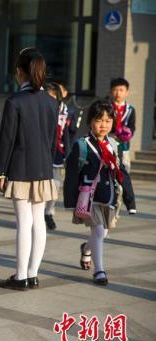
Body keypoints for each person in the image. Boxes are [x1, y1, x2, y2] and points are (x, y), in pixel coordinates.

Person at [0, 48, 58, 291]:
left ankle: (20, 277)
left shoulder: (15, 101)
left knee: (24, 222)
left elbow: (7, 140)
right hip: (44, 168)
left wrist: (0, 171)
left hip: (20, 169)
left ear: (19, 72)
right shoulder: (52, 102)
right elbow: (52, 139)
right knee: (38, 220)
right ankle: (32, 274)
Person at [63, 100, 136, 285]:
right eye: (99, 120)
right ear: (90, 122)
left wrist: (130, 200)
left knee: (102, 233)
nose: (104, 125)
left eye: (108, 120)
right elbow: (71, 174)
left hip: (109, 195)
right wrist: (70, 201)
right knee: (97, 230)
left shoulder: (114, 144)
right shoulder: (82, 145)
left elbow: (122, 173)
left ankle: (86, 249)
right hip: (89, 197)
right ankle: (99, 271)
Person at [43, 82, 77, 230]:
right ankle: (38, 213)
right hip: (41, 151)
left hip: (58, 151)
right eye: (47, 96)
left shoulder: (67, 111)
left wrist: (69, 152)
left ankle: (48, 212)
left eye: (53, 96)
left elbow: (70, 133)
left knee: (55, 186)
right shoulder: (40, 109)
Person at [109, 78, 135, 173]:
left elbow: (132, 126)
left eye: (121, 90)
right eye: (115, 90)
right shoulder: (108, 107)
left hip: (124, 144)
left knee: (124, 166)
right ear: (111, 91)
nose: (118, 93)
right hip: (109, 141)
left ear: (126, 92)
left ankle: (123, 185)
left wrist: (128, 133)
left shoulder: (130, 109)